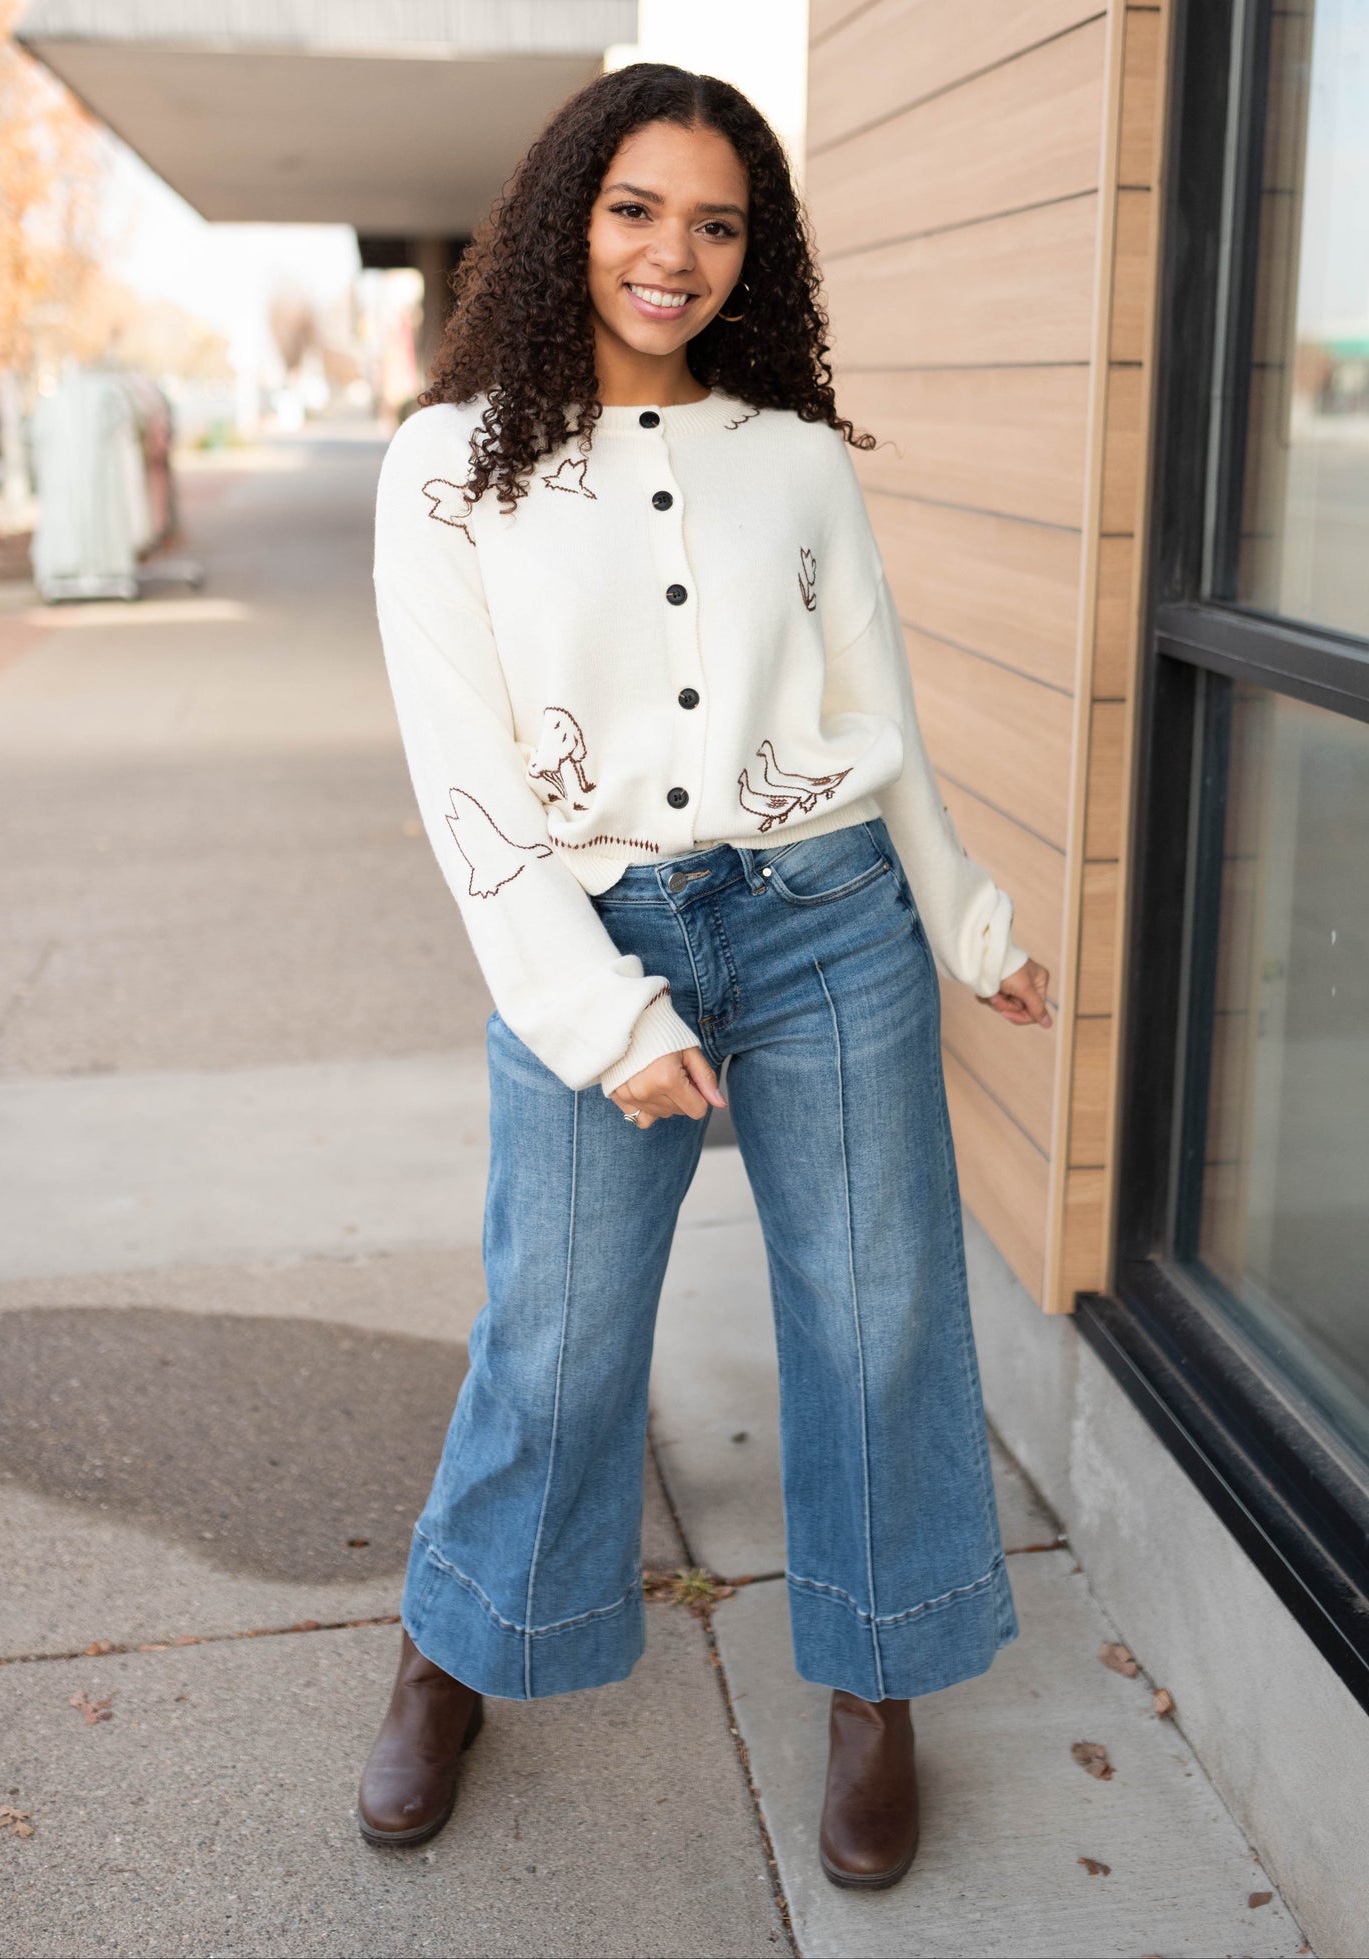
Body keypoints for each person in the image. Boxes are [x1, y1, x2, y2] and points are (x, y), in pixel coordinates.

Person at [360, 62, 1052, 1889]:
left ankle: (878, 1684)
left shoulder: (795, 459)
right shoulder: (447, 465)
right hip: (597, 935)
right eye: (636, 209)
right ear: (567, 220)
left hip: (830, 920)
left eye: (718, 224)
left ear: (759, 253)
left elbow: (876, 714)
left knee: (879, 1320)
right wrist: (600, 1014)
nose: (674, 254)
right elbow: (467, 782)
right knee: (560, 1335)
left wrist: (965, 915)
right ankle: (454, 1646)